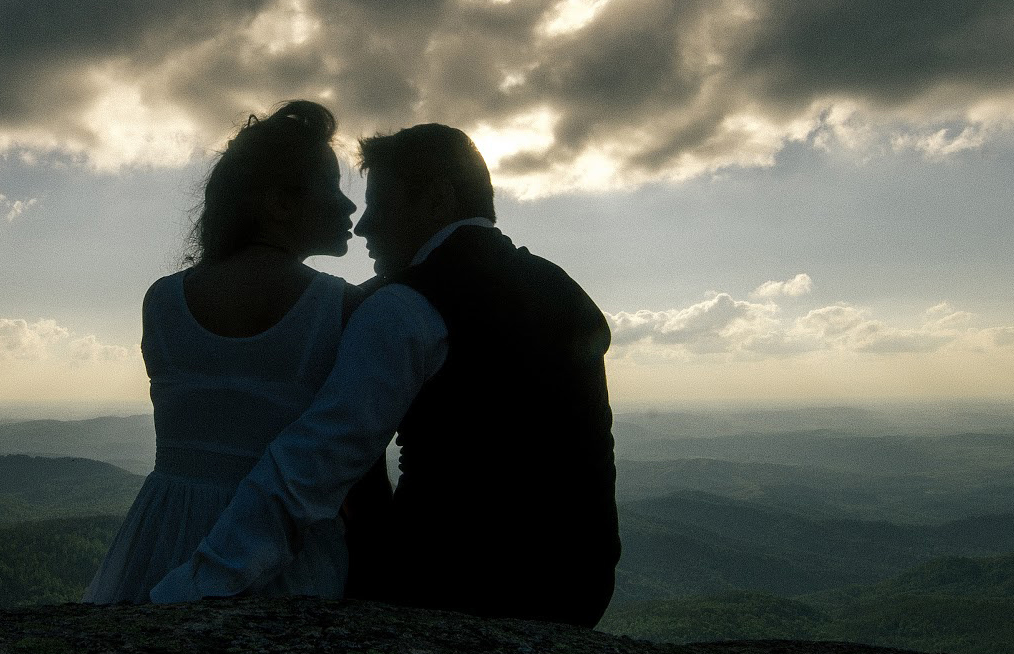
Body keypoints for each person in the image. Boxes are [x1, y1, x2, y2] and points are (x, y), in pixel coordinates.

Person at [152, 123, 619, 626]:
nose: (365, 225)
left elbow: (317, 460)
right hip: (580, 586)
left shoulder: (406, 305)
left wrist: (196, 587)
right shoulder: (562, 290)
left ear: (438, 199)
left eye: (380, 203)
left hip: (450, 589)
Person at [82, 101, 364, 603]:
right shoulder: (339, 306)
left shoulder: (163, 300)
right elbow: (353, 455)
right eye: (335, 189)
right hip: (280, 543)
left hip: (162, 531)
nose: (350, 208)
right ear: (279, 204)